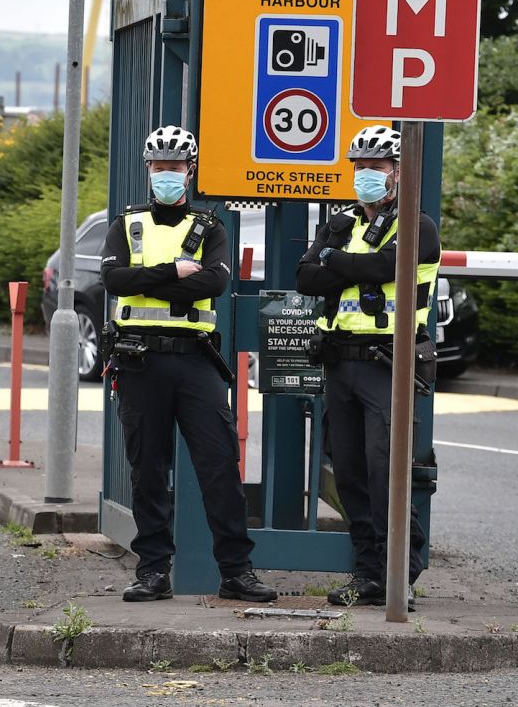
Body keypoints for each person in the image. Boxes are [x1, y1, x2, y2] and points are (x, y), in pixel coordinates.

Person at [100, 125, 277, 603]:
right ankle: (153, 572)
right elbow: (114, 279)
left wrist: (148, 283)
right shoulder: (127, 224)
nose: (167, 174)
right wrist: (175, 273)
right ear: (148, 170)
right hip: (139, 361)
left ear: (190, 171)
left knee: (219, 466)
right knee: (148, 471)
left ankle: (237, 572)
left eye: (175, 167)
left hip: (195, 361)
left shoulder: (210, 227)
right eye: (159, 166)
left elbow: (214, 285)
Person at [296, 125, 440, 611]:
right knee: (350, 475)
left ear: (399, 173)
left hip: (388, 365)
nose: (365, 176)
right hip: (341, 362)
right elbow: (306, 277)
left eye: (375, 168)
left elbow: (386, 270)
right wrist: (341, 258)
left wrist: (336, 261)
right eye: (359, 168)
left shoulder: (418, 225)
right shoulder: (340, 223)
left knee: (387, 472)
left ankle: (404, 572)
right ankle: (368, 573)